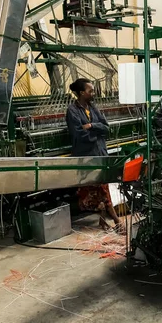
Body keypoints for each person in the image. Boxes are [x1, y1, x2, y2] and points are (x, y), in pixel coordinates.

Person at [65, 78, 124, 232]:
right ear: (81, 93)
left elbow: (106, 127)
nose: (93, 93)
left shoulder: (93, 107)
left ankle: (104, 221)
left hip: (99, 153)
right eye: (90, 91)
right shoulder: (72, 111)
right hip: (87, 156)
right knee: (100, 189)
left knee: (102, 187)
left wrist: (92, 126)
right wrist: (97, 134)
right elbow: (78, 134)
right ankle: (117, 221)